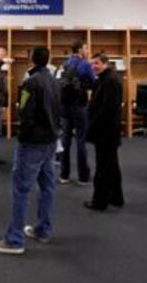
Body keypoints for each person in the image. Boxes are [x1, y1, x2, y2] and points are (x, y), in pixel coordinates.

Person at [0, 47, 61, 255]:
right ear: (49, 60)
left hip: (32, 143)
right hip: (50, 141)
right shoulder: (56, 81)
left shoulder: (30, 82)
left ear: (31, 60)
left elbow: (25, 112)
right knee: (47, 186)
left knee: (21, 189)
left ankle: (14, 240)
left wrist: (24, 135)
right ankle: (43, 230)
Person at [84, 53, 124, 211]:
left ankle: (99, 202)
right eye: (92, 64)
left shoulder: (110, 81)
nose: (94, 66)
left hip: (105, 131)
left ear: (106, 63)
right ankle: (116, 197)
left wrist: (93, 123)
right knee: (111, 165)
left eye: (97, 63)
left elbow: (107, 108)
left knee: (103, 167)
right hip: (106, 130)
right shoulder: (104, 79)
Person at [58, 40, 96, 185]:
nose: (87, 51)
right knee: (81, 140)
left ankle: (64, 175)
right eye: (86, 48)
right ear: (80, 50)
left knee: (65, 140)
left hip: (64, 106)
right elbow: (93, 82)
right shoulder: (85, 64)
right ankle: (83, 176)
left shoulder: (65, 63)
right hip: (79, 106)